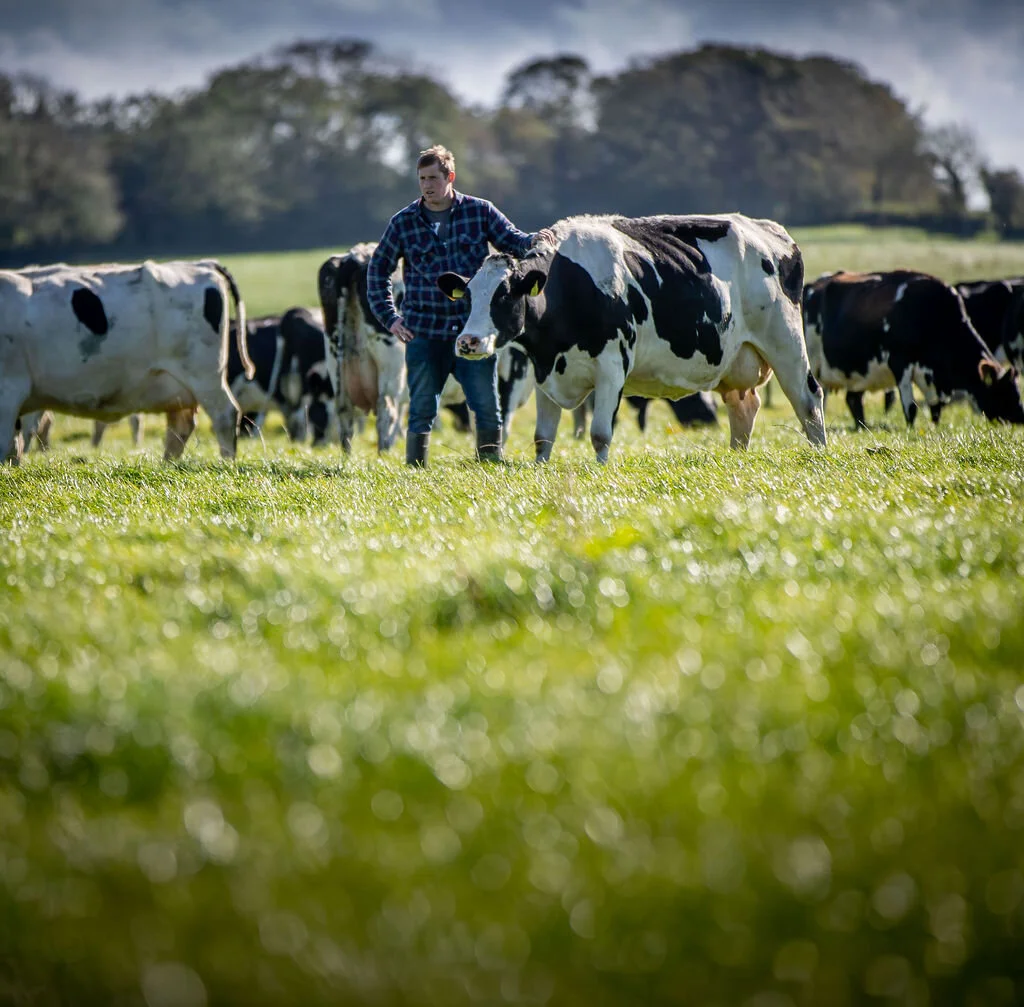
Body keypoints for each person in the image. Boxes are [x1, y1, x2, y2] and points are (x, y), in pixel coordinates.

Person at [367, 144, 553, 467]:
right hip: (424, 330)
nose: (427, 185)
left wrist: (539, 239)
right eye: (422, 179)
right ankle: (416, 470)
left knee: (486, 406)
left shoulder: (480, 211)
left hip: (473, 329)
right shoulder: (403, 222)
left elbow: (513, 240)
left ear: (450, 177)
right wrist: (390, 318)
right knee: (422, 408)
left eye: (433, 178)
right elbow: (378, 270)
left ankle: (490, 465)